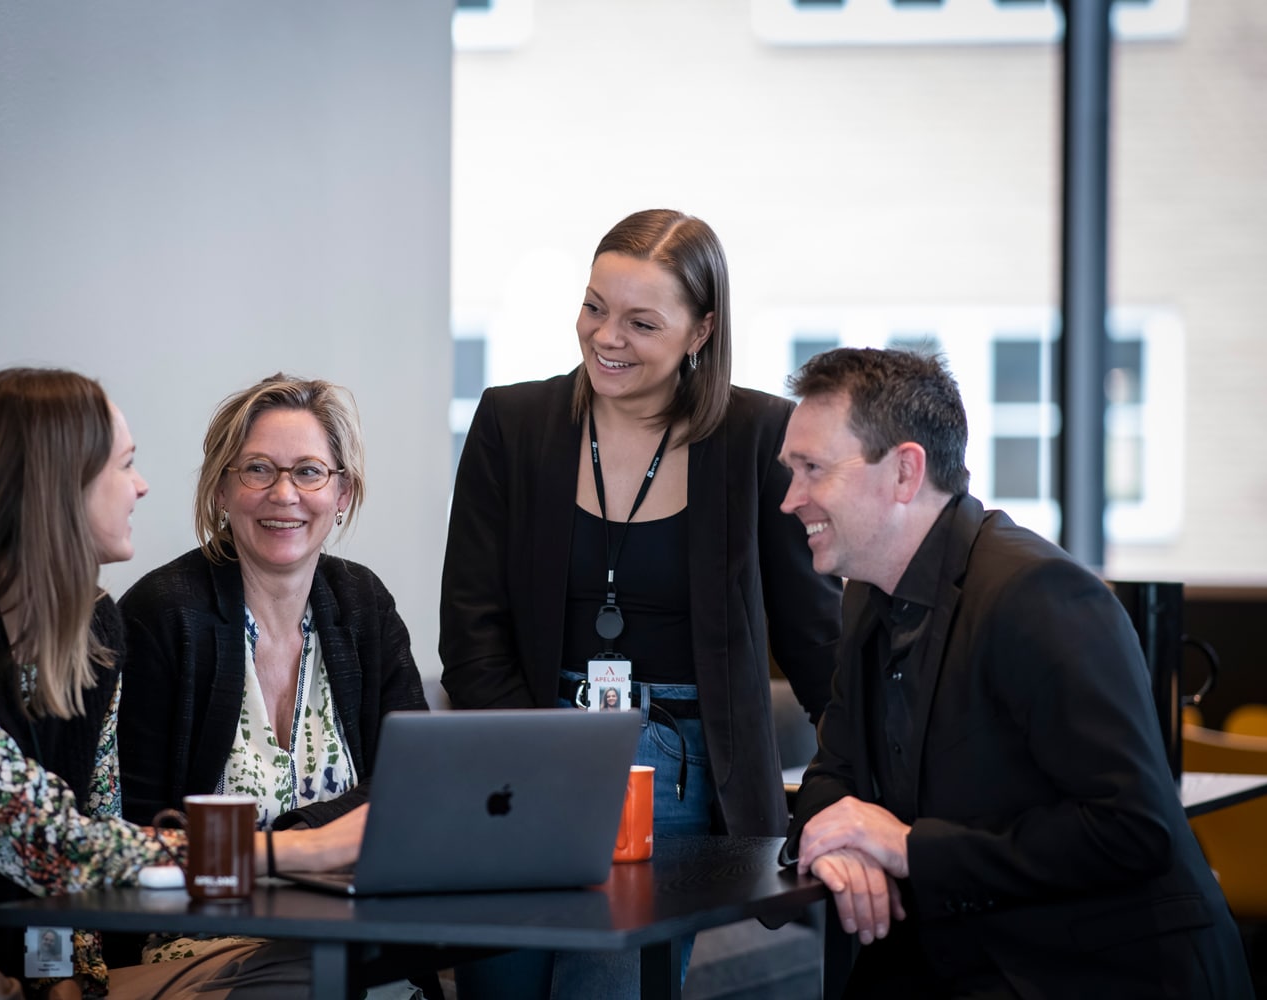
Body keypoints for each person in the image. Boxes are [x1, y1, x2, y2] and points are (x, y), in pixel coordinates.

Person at [0, 367, 361, 1000]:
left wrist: (66, 980)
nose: (141, 487)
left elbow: (95, 852)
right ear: (55, 488)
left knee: (311, 968)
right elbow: (62, 845)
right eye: (124, 465)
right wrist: (305, 851)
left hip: (40, 982)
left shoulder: (94, 629)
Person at [439, 209, 843, 997]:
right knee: (496, 985)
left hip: (677, 769)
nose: (605, 337)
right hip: (525, 751)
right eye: (595, 307)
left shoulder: (759, 436)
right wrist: (547, 767)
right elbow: (470, 630)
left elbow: (816, 637)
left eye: (641, 322)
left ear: (701, 331)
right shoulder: (510, 424)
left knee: (610, 985)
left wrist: (866, 784)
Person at [777, 347, 1252, 997]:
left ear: (905, 473)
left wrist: (910, 849)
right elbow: (835, 774)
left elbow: (1135, 830)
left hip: (1098, 970)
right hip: (957, 955)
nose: (789, 499)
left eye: (812, 470)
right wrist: (844, 842)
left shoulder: (1040, 595)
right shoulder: (865, 594)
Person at [115, 374, 431, 999]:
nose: (283, 493)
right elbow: (134, 827)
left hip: (354, 929)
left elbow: (414, 783)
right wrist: (324, 841)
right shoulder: (162, 614)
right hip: (205, 943)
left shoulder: (362, 604)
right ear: (223, 489)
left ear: (343, 493)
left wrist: (282, 841)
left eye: (310, 472)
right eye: (258, 469)